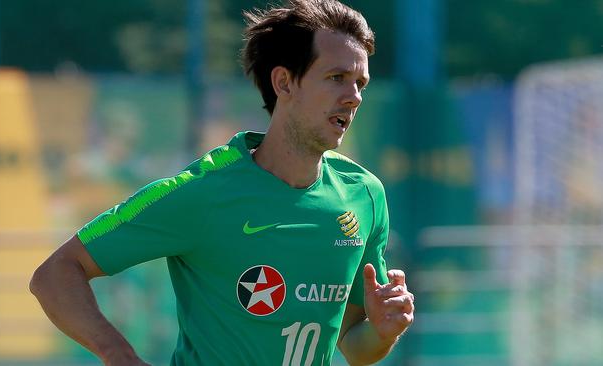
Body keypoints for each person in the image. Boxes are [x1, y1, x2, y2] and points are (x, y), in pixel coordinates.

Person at [30, 0, 415, 365]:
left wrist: (382, 333)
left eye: (361, 83)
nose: (354, 97)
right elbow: (56, 273)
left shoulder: (363, 195)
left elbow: (352, 343)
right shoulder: (203, 192)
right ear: (284, 83)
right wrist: (119, 355)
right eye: (337, 78)